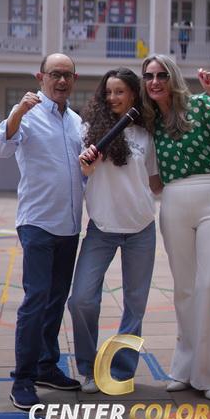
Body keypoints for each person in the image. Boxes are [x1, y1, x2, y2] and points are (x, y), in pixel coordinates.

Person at [140, 54, 210, 402]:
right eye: (149, 76)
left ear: (172, 77)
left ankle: (208, 373)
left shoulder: (200, 105)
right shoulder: (149, 120)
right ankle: (183, 369)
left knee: (208, 284)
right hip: (174, 200)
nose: (155, 81)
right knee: (184, 289)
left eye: (161, 75)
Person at [0, 53, 84, 410]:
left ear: (74, 79)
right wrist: (17, 113)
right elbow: (1, 148)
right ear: (40, 77)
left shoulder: (76, 122)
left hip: (70, 226)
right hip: (38, 223)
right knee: (36, 299)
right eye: (54, 74)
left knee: (56, 300)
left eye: (67, 75)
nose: (61, 81)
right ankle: (24, 379)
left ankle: (47, 366)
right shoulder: (27, 114)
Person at [68, 67, 162, 393]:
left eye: (119, 91)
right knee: (81, 300)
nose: (113, 97)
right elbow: (81, 174)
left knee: (135, 306)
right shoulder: (88, 131)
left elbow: (155, 183)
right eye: (108, 92)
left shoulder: (146, 135)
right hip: (102, 229)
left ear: (134, 94)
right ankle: (88, 369)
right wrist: (86, 167)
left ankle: (121, 370)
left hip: (141, 229)